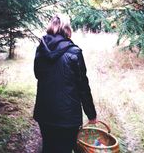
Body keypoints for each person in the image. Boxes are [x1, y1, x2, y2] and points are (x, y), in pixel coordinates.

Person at [33, 14, 97, 153]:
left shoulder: (41, 49)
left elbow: (38, 75)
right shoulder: (74, 52)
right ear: (67, 29)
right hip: (68, 117)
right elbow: (83, 86)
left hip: (45, 113)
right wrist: (91, 114)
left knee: (48, 148)